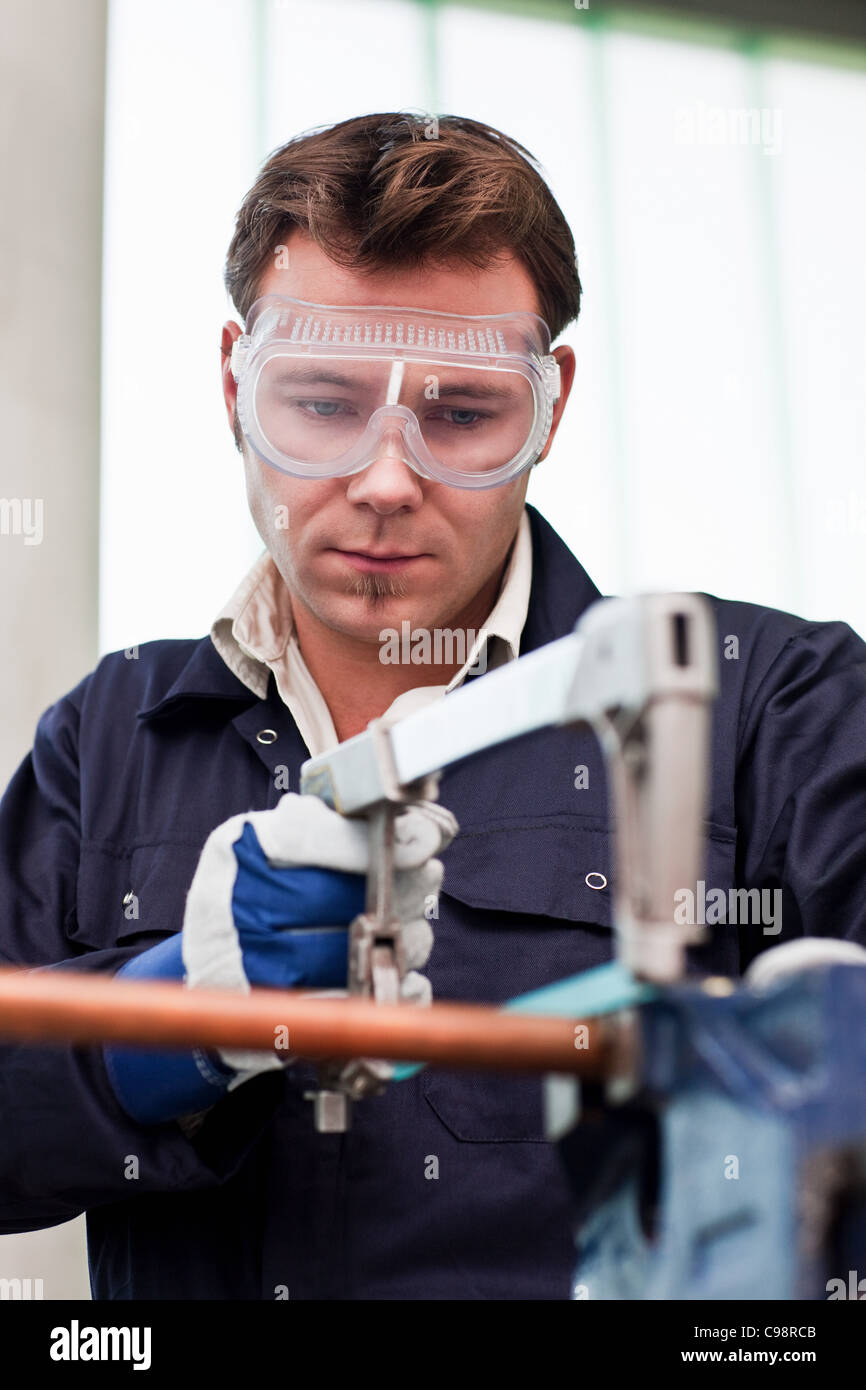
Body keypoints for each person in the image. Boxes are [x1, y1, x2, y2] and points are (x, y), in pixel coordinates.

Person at [1, 113, 865, 1301]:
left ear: (549, 404)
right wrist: (174, 1026)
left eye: (460, 415)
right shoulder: (109, 740)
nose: (386, 479)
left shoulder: (765, 705)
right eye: (320, 403)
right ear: (230, 385)